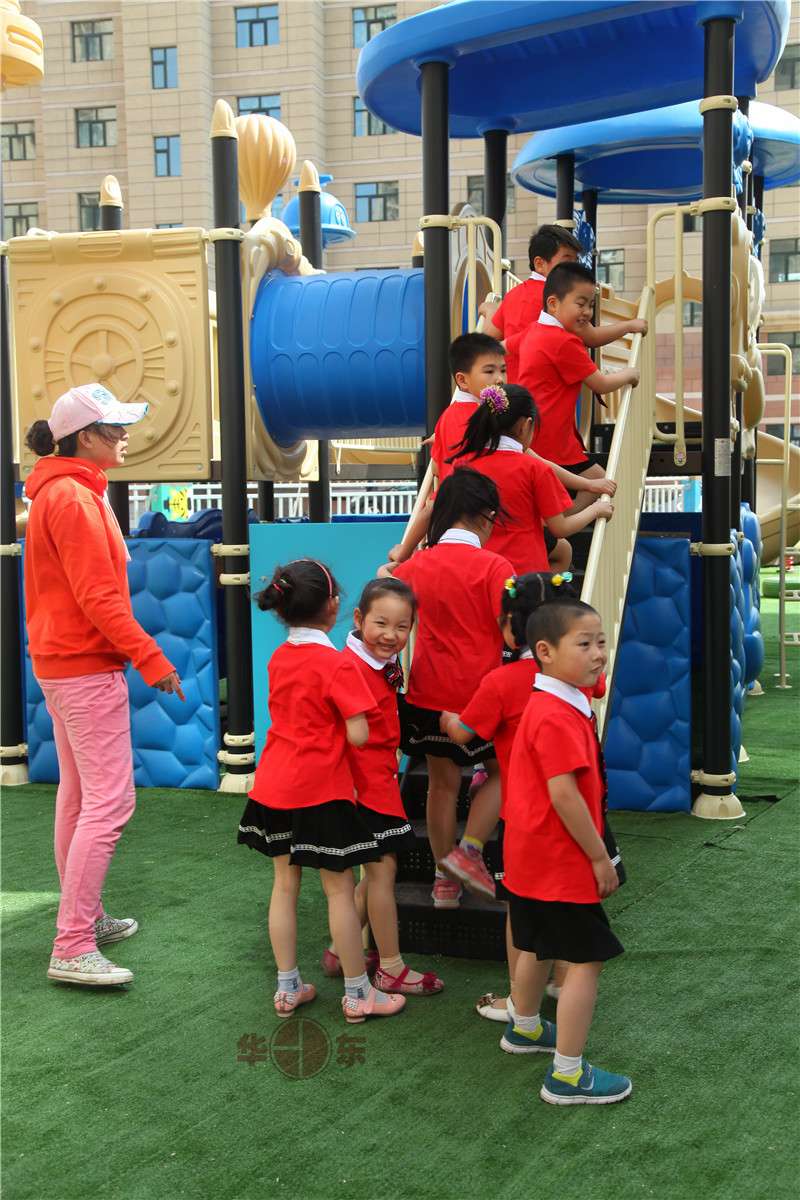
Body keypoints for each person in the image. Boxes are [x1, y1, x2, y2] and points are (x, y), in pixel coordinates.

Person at [23, 383, 184, 988]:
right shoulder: (74, 496)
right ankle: (72, 942)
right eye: (114, 427)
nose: (124, 435)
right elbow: (99, 597)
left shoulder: (64, 490)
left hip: (64, 663)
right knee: (109, 801)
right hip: (83, 665)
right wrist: (151, 657)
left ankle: (81, 921)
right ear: (84, 437)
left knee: (80, 795)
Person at [237, 559, 405, 1024]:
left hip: (273, 786)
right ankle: (358, 994)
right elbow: (358, 735)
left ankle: (288, 987)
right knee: (339, 891)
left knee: (284, 886)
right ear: (333, 607)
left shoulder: (279, 657)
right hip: (321, 791)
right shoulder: (336, 664)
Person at [439, 573, 605, 1023]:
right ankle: (559, 982)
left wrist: (446, 717)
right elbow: (600, 686)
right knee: (571, 907)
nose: (595, 654)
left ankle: (521, 1003)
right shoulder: (575, 680)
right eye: (586, 643)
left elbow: (465, 732)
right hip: (577, 815)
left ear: (514, 630)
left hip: (528, 818)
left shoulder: (502, 682)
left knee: (524, 914)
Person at [501, 595, 632, 1106]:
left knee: (538, 944)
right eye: (585, 644)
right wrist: (599, 857)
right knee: (586, 960)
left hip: (530, 856)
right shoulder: (557, 714)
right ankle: (568, 1075)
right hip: (560, 860)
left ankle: (525, 1026)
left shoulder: (551, 701)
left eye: (601, 641)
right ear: (545, 651)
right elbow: (564, 794)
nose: (599, 653)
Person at [381, 469, 512, 908]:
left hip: (427, 694)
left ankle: (443, 880)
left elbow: (390, 600)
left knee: (441, 786)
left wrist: (396, 562)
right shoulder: (496, 567)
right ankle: (469, 851)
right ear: (486, 515)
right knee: (505, 772)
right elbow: (510, 632)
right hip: (482, 696)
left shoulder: (416, 567)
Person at [388, 334, 615, 567]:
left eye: (503, 370)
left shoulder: (450, 418)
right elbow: (535, 462)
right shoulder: (485, 424)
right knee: (560, 549)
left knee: (560, 547)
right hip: (490, 526)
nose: (499, 379)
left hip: (464, 526)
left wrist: (405, 551)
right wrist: (587, 485)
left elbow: (437, 470)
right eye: (489, 371)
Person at [321, 578, 444, 996]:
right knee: (382, 871)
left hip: (379, 778)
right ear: (358, 619)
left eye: (402, 626)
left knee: (377, 871)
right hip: (362, 784)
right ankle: (390, 966)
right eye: (381, 623)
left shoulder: (378, 663)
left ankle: (339, 950)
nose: (391, 635)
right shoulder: (350, 669)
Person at [448, 383, 614, 573]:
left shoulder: (463, 463)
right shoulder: (534, 469)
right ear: (526, 425)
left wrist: (589, 484)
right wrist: (596, 510)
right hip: (525, 572)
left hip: (478, 568)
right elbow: (561, 528)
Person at [517, 261, 641, 499]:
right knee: (599, 482)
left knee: (570, 489)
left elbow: (591, 336)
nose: (587, 312)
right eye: (581, 304)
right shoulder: (563, 342)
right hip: (552, 440)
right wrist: (630, 374)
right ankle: (564, 519)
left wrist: (627, 326)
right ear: (553, 304)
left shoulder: (534, 331)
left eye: (591, 305)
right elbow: (600, 384)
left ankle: (561, 520)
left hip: (534, 433)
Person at [480, 224, 647, 382]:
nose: (572, 270)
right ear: (540, 264)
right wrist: (629, 326)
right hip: (550, 388)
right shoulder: (560, 297)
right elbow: (592, 337)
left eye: (575, 262)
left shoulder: (513, 295)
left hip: (513, 390)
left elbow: (489, 336)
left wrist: (490, 310)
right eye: (566, 262)